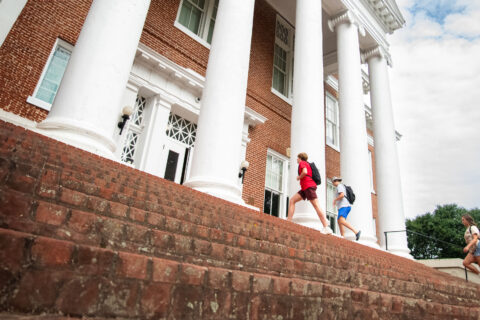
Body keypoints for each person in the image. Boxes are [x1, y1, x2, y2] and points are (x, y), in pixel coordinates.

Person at [287, 153, 333, 235]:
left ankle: (326, 227)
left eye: (297, 158)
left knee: (316, 206)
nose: (297, 160)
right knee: (292, 201)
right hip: (305, 188)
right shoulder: (307, 164)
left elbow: (304, 172)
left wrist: (299, 177)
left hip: (308, 187)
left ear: (300, 158)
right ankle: (289, 221)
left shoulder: (302, 163)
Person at [332, 177, 361, 241]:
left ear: (335, 181)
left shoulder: (339, 186)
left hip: (344, 206)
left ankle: (356, 232)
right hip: (343, 206)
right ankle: (343, 236)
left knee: (341, 220)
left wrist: (335, 200)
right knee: (339, 221)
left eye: (333, 182)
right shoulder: (341, 186)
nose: (333, 184)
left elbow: (342, 195)